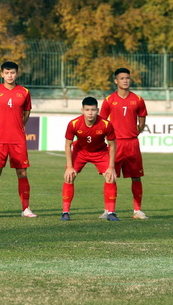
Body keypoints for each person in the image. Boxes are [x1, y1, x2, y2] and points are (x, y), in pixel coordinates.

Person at [0, 61, 37, 218]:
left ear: (17, 74)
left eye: (12, 73)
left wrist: (18, 127)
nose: (10, 75)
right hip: (0, 139)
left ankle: (26, 209)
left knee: (22, 173)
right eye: (7, 73)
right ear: (2, 74)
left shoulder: (24, 92)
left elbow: (26, 113)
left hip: (18, 139)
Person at [99, 68, 149, 220]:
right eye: (122, 78)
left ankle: (137, 210)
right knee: (110, 176)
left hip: (132, 144)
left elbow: (142, 120)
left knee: (136, 177)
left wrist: (136, 131)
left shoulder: (138, 99)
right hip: (115, 144)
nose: (125, 80)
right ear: (116, 81)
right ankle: (108, 210)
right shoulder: (109, 100)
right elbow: (102, 122)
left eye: (127, 78)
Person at [62, 97, 119, 221]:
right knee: (69, 176)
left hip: (100, 152)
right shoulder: (74, 123)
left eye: (93, 110)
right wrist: (69, 166)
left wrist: (111, 167)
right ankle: (65, 212)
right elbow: (68, 144)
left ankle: (111, 213)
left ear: (97, 110)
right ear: (82, 110)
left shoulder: (106, 124)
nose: (90, 113)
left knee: (111, 177)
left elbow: (113, 145)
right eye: (87, 110)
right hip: (80, 152)